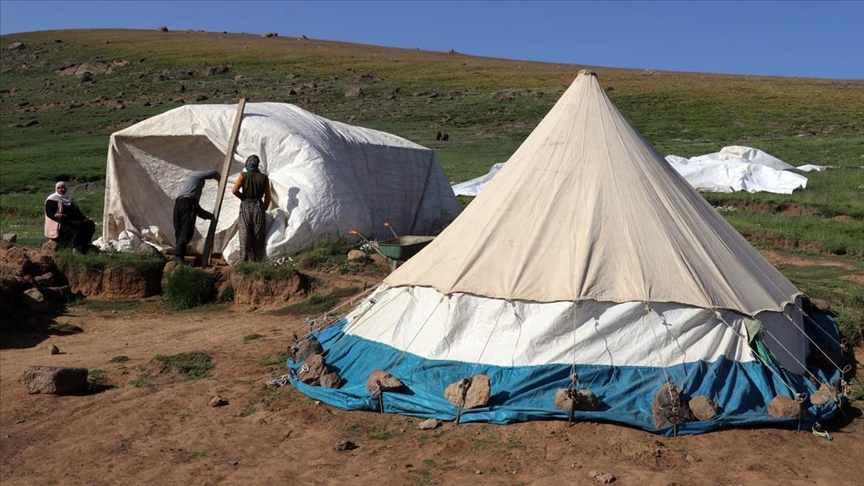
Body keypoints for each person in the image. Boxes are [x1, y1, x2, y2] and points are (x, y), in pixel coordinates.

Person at [173, 169, 220, 262]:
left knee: (179, 230)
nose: (201, 187)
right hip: (187, 204)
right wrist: (220, 181)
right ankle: (178, 255)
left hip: (179, 204)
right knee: (186, 230)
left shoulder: (189, 192)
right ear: (201, 182)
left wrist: (210, 216)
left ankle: (179, 254)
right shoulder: (196, 177)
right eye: (202, 185)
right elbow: (214, 173)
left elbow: (198, 210)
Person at [231, 155, 272, 262]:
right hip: (258, 206)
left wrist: (243, 198)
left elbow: (234, 190)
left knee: (245, 232)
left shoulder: (243, 175)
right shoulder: (264, 178)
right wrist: (264, 208)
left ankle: (244, 260)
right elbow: (268, 196)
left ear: (248, 163)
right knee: (257, 234)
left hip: (246, 205)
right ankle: (257, 261)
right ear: (257, 164)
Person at [44, 181, 96, 253]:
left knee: (90, 224)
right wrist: (56, 215)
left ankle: (84, 244)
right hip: (60, 223)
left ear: (66, 188)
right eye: (58, 188)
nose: (60, 190)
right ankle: (76, 248)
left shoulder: (70, 198)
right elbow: (49, 212)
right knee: (76, 229)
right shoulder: (52, 199)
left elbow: (77, 211)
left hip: (72, 220)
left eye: (62, 188)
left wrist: (84, 218)